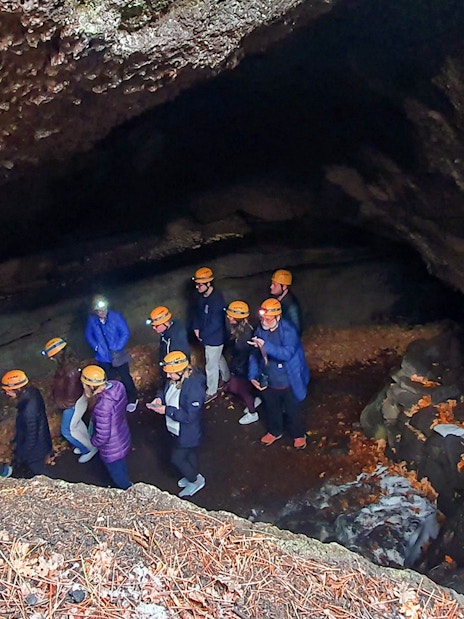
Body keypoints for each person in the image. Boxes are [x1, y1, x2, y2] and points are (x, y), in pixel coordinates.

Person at [248, 298, 310, 449]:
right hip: (270, 379)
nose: (264, 321)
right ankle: (275, 431)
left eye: (268, 319)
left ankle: (298, 434)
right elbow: (254, 355)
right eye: (262, 318)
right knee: (272, 408)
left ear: (278, 317)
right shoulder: (260, 330)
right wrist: (252, 375)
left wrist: (265, 345)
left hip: (289, 379)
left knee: (292, 410)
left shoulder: (289, 331)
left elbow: (287, 353)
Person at [146, 351, 206, 498]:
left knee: (177, 458)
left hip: (188, 432)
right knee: (188, 454)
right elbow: (164, 389)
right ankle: (195, 475)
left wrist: (167, 410)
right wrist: (159, 399)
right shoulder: (176, 378)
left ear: (181, 371)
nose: (167, 376)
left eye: (170, 373)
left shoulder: (194, 387)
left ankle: (194, 481)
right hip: (176, 429)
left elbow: (190, 416)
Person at [42, 337, 97, 463]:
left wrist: (64, 405)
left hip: (72, 404)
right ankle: (88, 443)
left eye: (52, 356)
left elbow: (71, 392)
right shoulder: (67, 365)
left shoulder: (70, 369)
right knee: (76, 425)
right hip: (74, 401)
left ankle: (88, 449)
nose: (51, 359)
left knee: (67, 430)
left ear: (58, 355)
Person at [80, 365, 132, 489]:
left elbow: (103, 436)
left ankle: (128, 492)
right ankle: (128, 484)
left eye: (84, 384)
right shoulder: (117, 386)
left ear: (91, 386)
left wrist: (93, 441)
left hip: (111, 447)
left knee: (117, 473)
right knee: (121, 465)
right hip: (121, 433)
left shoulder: (102, 407)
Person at [84, 294, 138, 413]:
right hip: (103, 356)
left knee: (125, 377)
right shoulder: (92, 320)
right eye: (98, 311)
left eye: (103, 309)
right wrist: (97, 347)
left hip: (118, 354)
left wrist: (117, 346)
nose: (102, 312)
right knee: (110, 380)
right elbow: (88, 335)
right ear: (94, 311)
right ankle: (116, 400)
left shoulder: (115, 316)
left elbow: (125, 332)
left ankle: (133, 398)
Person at [1, 369, 52, 476]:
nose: (7, 393)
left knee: (40, 472)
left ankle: (55, 488)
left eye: (8, 390)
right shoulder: (32, 392)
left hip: (36, 450)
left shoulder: (28, 409)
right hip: (41, 440)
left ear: (18, 389)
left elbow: (31, 436)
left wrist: (22, 455)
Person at [191, 267, 230, 404]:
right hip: (206, 336)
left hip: (214, 338)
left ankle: (211, 391)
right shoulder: (201, 297)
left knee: (211, 365)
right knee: (217, 358)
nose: (197, 287)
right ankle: (226, 377)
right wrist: (196, 328)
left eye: (200, 284)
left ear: (209, 284)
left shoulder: (217, 300)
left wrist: (202, 335)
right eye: (197, 284)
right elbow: (198, 313)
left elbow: (216, 323)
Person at [224, 301, 262, 425]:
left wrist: (237, 367)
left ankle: (252, 413)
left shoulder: (246, 333)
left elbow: (244, 353)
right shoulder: (239, 328)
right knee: (239, 388)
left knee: (239, 389)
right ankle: (255, 400)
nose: (228, 317)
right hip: (240, 363)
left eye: (231, 316)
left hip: (244, 365)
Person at [146, 305, 190, 382]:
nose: (153, 328)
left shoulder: (176, 339)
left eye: (156, 326)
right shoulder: (166, 332)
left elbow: (180, 362)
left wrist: (170, 374)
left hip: (175, 371)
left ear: (166, 323)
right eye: (153, 326)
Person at [270, 269, 303, 336]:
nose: (271, 287)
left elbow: (296, 330)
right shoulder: (277, 301)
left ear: (284, 287)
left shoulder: (291, 306)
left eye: (274, 285)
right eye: (272, 284)